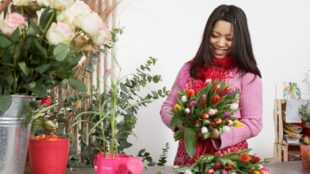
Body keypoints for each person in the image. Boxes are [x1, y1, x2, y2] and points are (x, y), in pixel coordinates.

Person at [160, 4, 262, 165]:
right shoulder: (189, 69)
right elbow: (167, 107)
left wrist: (218, 134)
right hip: (187, 161)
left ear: (240, 40)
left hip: (227, 162)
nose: (221, 43)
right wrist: (182, 126)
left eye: (229, 39)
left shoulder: (247, 75)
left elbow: (254, 123)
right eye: (215, 35)